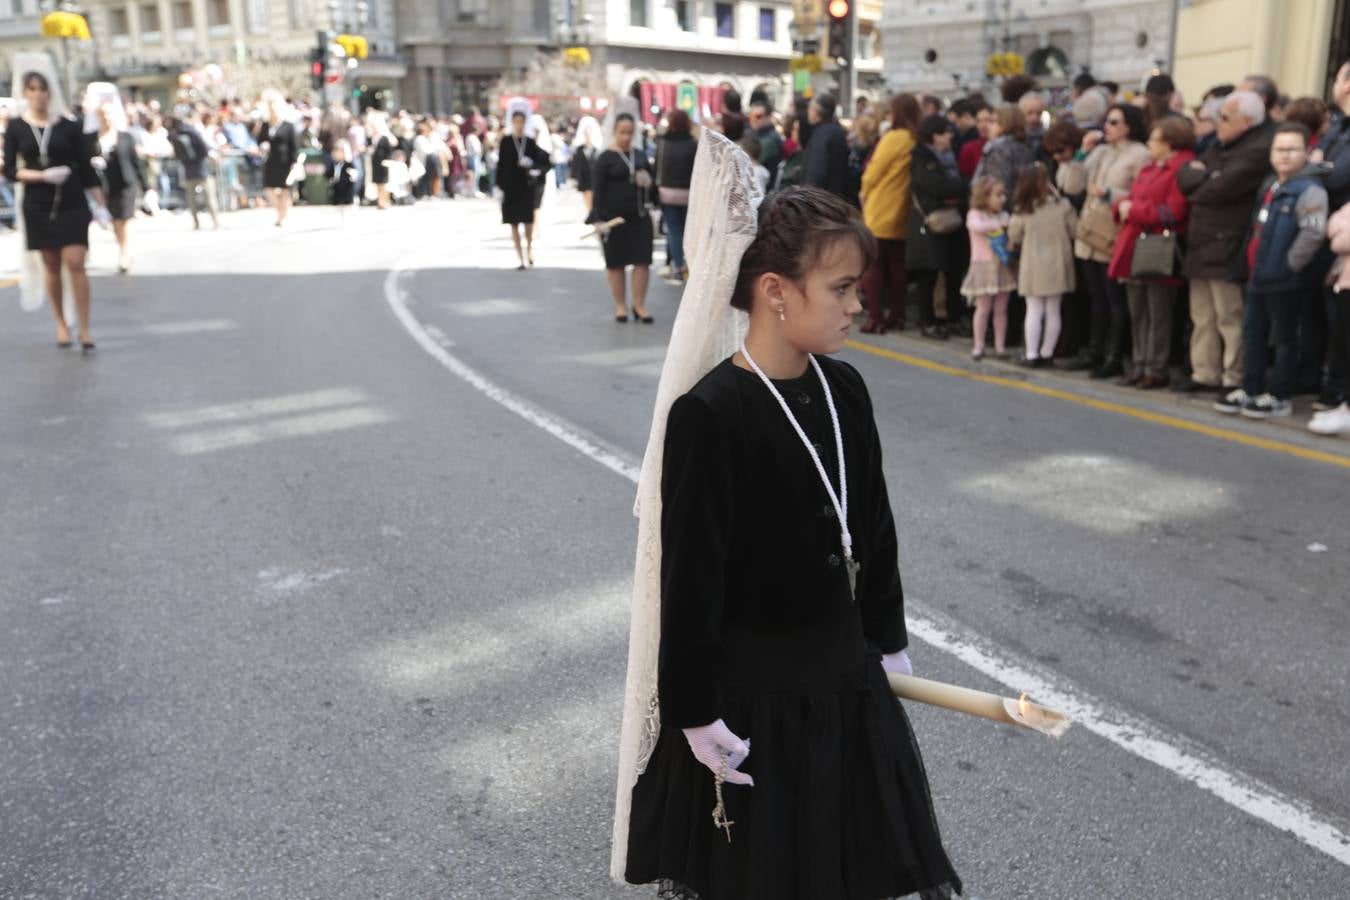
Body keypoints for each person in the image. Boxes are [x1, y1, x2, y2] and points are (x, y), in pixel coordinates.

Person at [614, 129, 962, 898]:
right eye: (840, 288)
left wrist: (886, 635)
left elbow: (873, 528)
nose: (856, 305)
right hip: (754, 703)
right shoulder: (712, 413)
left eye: (856, 288)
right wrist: (695, 709)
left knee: (850, 867)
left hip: (844, 684)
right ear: (775, 290)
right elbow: (692, 578)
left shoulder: (846, 390)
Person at [1216, 122, 1327, 419]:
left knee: (1284, 339)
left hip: (1287, 281)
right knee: (1252, 335)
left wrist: (1288, 266)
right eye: (1279, 149)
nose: (1285, 155)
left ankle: (1279, 395)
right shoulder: (1271, 185)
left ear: (1307, 152)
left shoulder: (1311, 190)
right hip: (1258, 277)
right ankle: (1250, 389)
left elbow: (1313, 235)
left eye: (1293, 149)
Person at [1173, 90, 1274, 396]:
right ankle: (1205, 372)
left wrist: (1205, 180)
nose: (1219, 123)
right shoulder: (1220, 144)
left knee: (1229, 316)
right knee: (1202, 315)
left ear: (1247, 120)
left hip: (1226, 243)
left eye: (1226, 117)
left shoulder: (1257, 149)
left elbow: (1222, 188)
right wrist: (1205, 177)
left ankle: (1234, 376)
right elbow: (1185, 178)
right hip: (1201, 241)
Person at [4, 67, 110, 351]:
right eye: (33, 89)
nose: (39, 95)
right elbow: (12, 171)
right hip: (38, 202)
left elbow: (86, 168)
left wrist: (100, 206)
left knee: (76, 261)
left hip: (71, 199)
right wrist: (41, 176)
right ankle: (61, 322)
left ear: (51, 92)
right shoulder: (16, 126)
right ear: (25, 93)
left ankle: (85, 327)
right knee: (51, 265)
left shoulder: (67, 126)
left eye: (43, 89)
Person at [1059, 103, 1150, 377]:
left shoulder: (1140, 154)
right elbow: (1070, 185)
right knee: (1095, 297)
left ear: (1129, 126)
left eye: (1113, 122)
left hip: (1112, 233)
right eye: (1106, 122)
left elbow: (1143, 195)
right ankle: (1094, 350)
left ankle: (1114, 355)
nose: (1107, 127)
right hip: (1089, 231)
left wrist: (1111, 194)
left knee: (1114, 299)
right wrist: (1081, 153)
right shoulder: (1100, 152)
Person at [1107, 116, 1196, 388]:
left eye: (1154, 139)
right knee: (1138, 311)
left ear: (1169, 143)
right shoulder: (1150, 168)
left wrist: (1132, 210)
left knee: (1158, 313)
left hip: (1158, 246)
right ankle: (1139, 363)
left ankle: (1155, 367)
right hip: (1135, 243)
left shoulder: (1178, 170)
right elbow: (1134, 197)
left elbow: (1174, 211)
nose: (1149, 144)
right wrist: (1123, 205)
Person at [858, 93, 920, 333]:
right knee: (896, 266)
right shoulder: (915, 138)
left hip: (881, 207)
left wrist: (864, 191)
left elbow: (874, 171)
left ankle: (875, 317)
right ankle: (898, 314)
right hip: (901, 210)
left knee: (873, 266)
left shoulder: (894, 137)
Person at [1008, 163, 1077, 367]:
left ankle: (1031, 354)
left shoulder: (1023, 209)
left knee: (1034, 309)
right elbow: (1075, 230)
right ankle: (1047, 353)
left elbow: (1014, 236)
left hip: (1033, 263)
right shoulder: (1063, 205)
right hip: (1059, 262)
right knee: (1054, 309)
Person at [906, 114, 968, 340]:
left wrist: (955, 190)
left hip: (951, 222)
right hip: (930, 222)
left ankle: (952, 317)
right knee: (928, 275)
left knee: (953, 271)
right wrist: (956, 190)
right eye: (945, 132)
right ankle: (928, 320)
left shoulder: (950, 155)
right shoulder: (922, 156)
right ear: (934, 136)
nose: (950, 136)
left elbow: (953, 186)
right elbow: (936, 185)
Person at [590, 113, 655, 322]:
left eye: (630, 132)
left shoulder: (640, 154)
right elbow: (597, 191)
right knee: (616, 264)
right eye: (622, 132)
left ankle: (639, 305)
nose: (626, 137)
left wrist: (648, 182)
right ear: (614, 131)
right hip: (613, 219)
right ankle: (620, 305)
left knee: (642, 262)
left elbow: (652, 183)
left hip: (640, 216)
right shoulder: (605, 158)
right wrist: (598, 218)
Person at [962, 175, 1016, 359]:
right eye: (998, 195)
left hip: (1001, 267)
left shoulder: (1004, 215)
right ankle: (979, 345)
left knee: (1001, 309)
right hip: (983, 267)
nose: (1003, 199)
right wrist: (1001, 225)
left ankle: (1000, 347)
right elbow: (977, 227)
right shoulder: (975, 215)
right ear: (984, 196)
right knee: (983, 309)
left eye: (1003, 195)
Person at [92, 101, 144, 273]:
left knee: (125, 218)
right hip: (107, 184)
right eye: (102, 114)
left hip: (126, 183)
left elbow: (136, 162)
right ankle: (122, 247)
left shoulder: (125, 136)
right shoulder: (94, 139)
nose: (105, 117)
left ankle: (125, 253)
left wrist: (147, 186)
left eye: (108, 113)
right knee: (115, 220)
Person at [1313, 198, 1350, 434]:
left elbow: (1342, 239)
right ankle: (1345, 405)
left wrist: (1343, 235)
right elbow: (1334, 222)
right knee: (1343, 346)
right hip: (1345, 283)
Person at [497, 108, 551, 270]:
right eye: (516, 122)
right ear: (512, 122)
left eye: (522, 122)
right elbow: (501, 165)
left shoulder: (530, 141)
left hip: (527, 186)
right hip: (510, 186)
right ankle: (519, 257)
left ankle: (529, 250)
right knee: (513, 223)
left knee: (528, 222)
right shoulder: (506, 141)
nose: (519, 125)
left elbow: (542, 161)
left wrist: (533, 167)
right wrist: (499, 186)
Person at [656, 109, 697, 284]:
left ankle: (678, 267)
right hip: (688, 193)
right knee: (690, 230)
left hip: (667, 192)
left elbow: (657, 167)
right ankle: (690, 265)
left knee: (673, 230)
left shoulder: (663, 143)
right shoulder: (693, 144)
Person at [168, 115, 219, 230]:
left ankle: (196, 223)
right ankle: (215, 221)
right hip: (200, 167)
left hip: (187, 168)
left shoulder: (176, 132)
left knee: (191, 199)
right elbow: (202, 146)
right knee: (209, 196)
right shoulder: (192, 131)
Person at [974, 105, 1035, 197]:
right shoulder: (1025, 146)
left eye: (993, 122)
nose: (988, 126)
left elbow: (999, 188)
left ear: (1005, 125)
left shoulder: (999, 150)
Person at [261, 97, 298, 227]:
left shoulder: (288, 126)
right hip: (270, 161)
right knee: (269, 188)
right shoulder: (265, 125)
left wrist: (294, 162)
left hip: (285, 161)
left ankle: (283, 216)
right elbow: (260, 140)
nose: (273, 112)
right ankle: (280, 210)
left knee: (284, 189)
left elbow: (293, 145)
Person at [803, 93, 848, 199]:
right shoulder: (835, 130)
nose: (808, 112)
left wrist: (806, 199)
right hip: (834, 197)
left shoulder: (822, 135)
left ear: (817, 112)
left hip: (821, 199)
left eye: (810, 109)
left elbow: (816, 172)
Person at [570, 115, 604, 213]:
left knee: (595, 199)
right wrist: (573, 177)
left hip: (595, 178)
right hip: (583, 177)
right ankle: (590, 215)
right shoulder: (579, 148)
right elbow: (575, 164)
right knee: (586, 198)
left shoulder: (598, 148)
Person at [747, 101, 782, 185]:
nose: (753, 119)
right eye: (751, 115)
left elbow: (750, 162)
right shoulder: (754, 133)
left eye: (758, 116)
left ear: (768, 117)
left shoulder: (771, 139)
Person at [957, 102, 992, 179]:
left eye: (987, 120)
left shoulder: (1004, 145)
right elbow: (965, 177)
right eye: (978, 121)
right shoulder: (969, 148)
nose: (982, 125)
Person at [369, 114, 395, 209]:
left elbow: (389, 151)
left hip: (383, 163)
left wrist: (388, 160)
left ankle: (385, 201)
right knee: (378, 183)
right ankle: (380, 201)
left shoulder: (384, 138)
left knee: (384, 183)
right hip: (376, 163)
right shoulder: (373, 138)